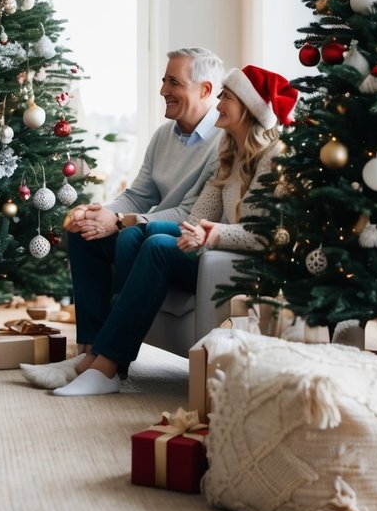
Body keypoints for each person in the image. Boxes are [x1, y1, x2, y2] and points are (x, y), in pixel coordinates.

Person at [51, 64, 297, 396]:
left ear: (249, 108)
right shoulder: (229, 155)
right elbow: (196, 217)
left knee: (157, 248)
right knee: (136, 236)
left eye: (226, 96)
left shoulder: (273, 158)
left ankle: (107, 364)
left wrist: (210, 234)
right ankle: (97, 357)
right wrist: (126, 220)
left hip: (243, 261)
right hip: (211, 245)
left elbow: (268, 235)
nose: (219, 104)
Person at [24, 48, 224, 389]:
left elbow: (190, 215)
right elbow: (139, 193)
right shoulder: (164, 135)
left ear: (205, 90)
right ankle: (88, 353)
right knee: (83, 231)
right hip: (151, 231)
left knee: (133, 237)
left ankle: (106, 362)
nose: (163, 90)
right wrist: (101, 212)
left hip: (188, 242)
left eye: (173, 82)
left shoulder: (222, 142)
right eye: (163, 80)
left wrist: (121, 222)